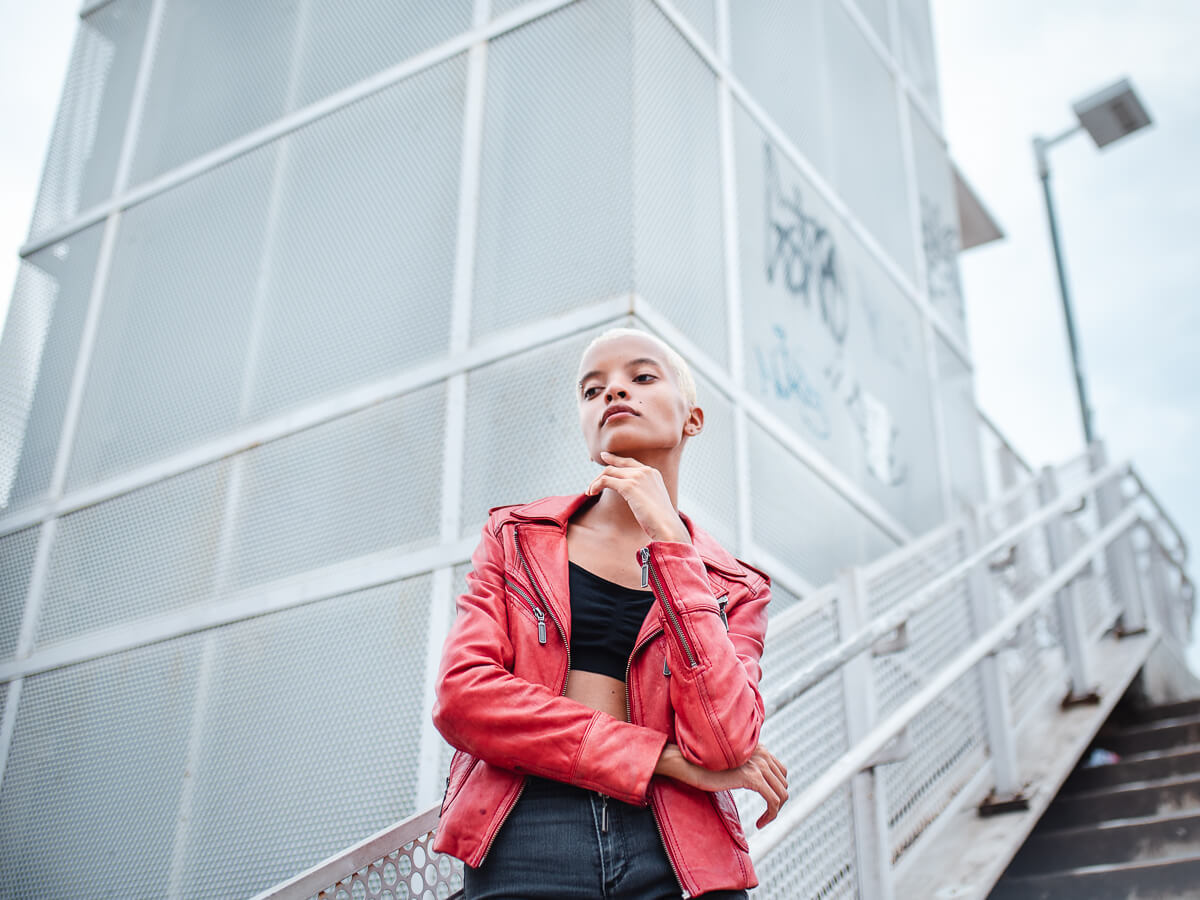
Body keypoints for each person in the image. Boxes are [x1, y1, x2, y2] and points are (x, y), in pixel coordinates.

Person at [431, 327, 788, 899]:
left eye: (641, 377)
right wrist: (659, 758)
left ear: (692, 419)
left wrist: (671, 543)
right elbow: (464, 699)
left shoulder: (736, 587)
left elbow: (723, 743)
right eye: (592, 390)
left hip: (682, 849)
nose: (614, 393)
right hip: (531, 829)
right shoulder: (516, 538)